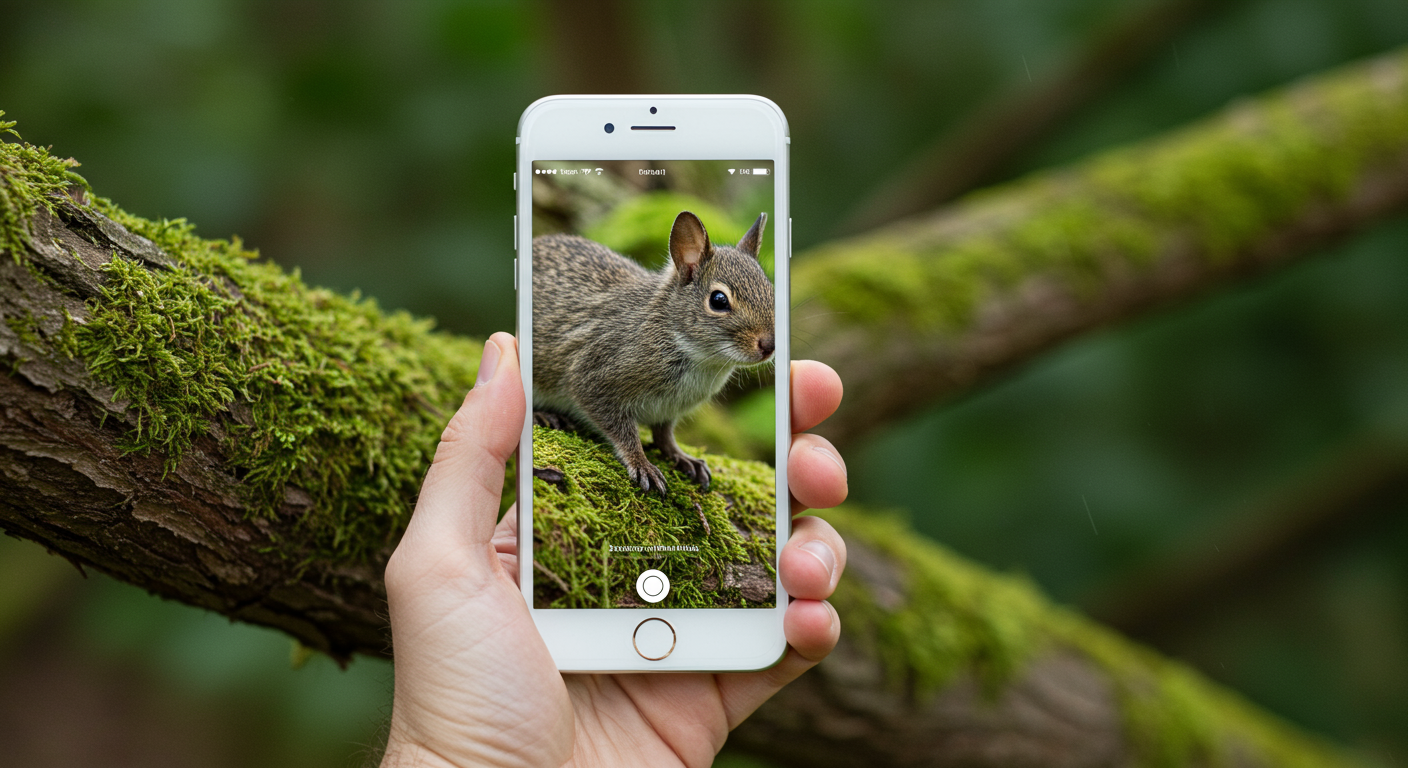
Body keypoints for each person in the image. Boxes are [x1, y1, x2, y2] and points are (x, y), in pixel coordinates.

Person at [380, 333, 849, 767]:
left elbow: (665, 401)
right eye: (722, 304)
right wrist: (633, 453)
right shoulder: (650, 345)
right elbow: (592, 387)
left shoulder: (712, 363)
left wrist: (664, 442)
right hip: (554, 384)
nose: (762, 337)